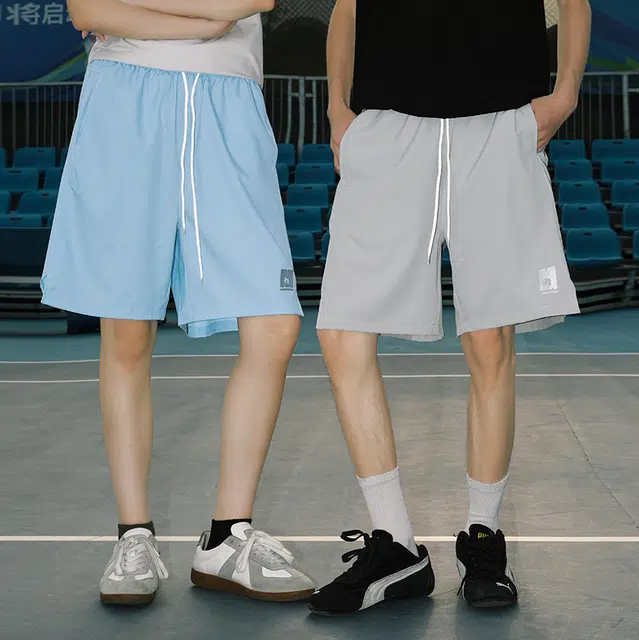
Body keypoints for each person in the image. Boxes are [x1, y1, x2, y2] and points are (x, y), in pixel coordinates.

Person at [310, 0, 591, 615]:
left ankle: (483, 538)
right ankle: (394, 544)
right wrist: (337, 108)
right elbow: (348, 7)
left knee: (489, 339)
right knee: (343, 330)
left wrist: (566, 92)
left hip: (498, 122)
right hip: (386, 125)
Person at [43, 0, 315, 605]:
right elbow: (86, 8)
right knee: (127, 329)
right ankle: (133, 535)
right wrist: (205, 22)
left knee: (274, 325)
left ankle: (226, 536)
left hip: (229, 98)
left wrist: (139, 11)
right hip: (125, 98)